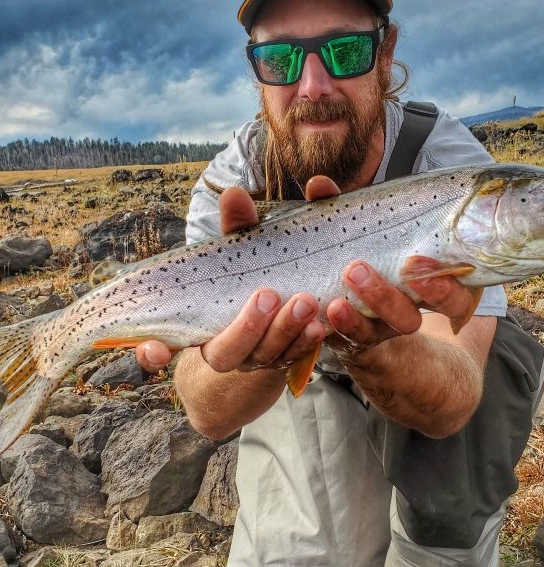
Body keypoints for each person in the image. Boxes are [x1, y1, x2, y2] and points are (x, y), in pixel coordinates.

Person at [136, 1, 519, 565]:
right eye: (279, 60)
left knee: (439, 537)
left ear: (385, 56)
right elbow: (206, 411)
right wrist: (252, 359)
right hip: (297, 375)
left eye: (344, 52)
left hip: (428, 357)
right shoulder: (234, 178)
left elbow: (453, 400)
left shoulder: (453, 172)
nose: (313, 85)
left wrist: (370, 343)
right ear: (256, 72)